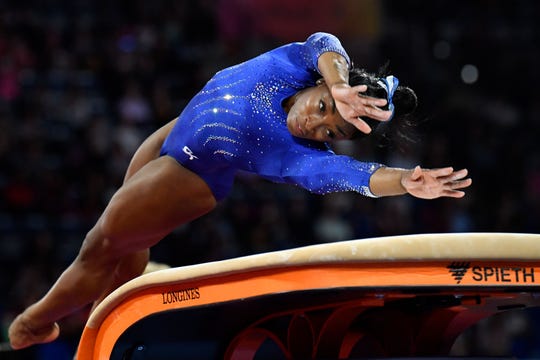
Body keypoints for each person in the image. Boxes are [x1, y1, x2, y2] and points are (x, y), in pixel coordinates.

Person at [8, 32, 471, 350]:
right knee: (125, 255)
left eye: (332, 130)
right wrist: (339, 82)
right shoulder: (291, 63)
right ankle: (109, 337)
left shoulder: (294, 154)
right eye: (325, 106)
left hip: (189, 175)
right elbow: (324, 44)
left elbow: (355, 176)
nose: (316, 124)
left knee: (102, 245)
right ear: (319, 84)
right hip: (174, 136)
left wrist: (405, 183)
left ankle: (36, 322)